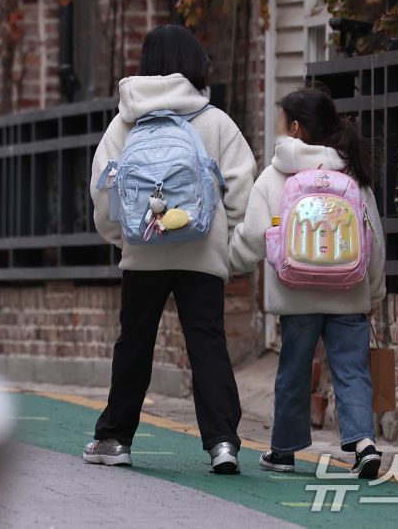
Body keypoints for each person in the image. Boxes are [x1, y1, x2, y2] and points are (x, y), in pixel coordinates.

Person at [84, 24, 256, 474]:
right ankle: (222, 443)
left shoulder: (126, 121)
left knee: (135, 343)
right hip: (202, 254)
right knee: (207, 344)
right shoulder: (214, 120)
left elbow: (103, 188)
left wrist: (121, 237)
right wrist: (227, 242)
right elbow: (242, 185)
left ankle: (114, 439)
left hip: (144, 251)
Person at [228, 87, 386, 479]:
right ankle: (363, 443)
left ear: (295, 127)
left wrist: (229, 263)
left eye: (282, 121)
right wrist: (376, 291)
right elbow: (374, 238)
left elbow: (251, 236)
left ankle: (283, 451)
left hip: (295, 294)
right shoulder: (351, 173)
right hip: (349, 293)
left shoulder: (275, 176)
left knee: (293, 371)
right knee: (351, 370)